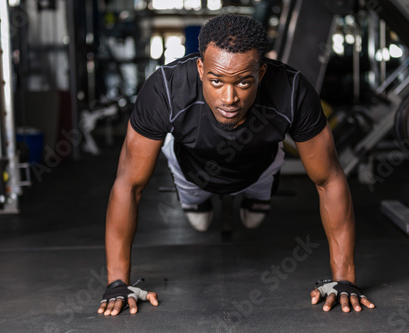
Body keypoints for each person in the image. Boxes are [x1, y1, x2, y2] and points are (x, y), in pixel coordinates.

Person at [97, 14, 375, 317]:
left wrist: (344, 280)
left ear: (262, 72)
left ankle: (257, 197)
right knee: (200, 223)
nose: (229, 98)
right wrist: (117, 283)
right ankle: (196, 202)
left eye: (244, 82)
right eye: (216, 81)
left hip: (259, 167)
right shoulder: (165, 88)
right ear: (201, 68)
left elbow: (330, 180)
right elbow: (128, 183)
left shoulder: (293, 90)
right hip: (192, 170)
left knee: (254, 220)